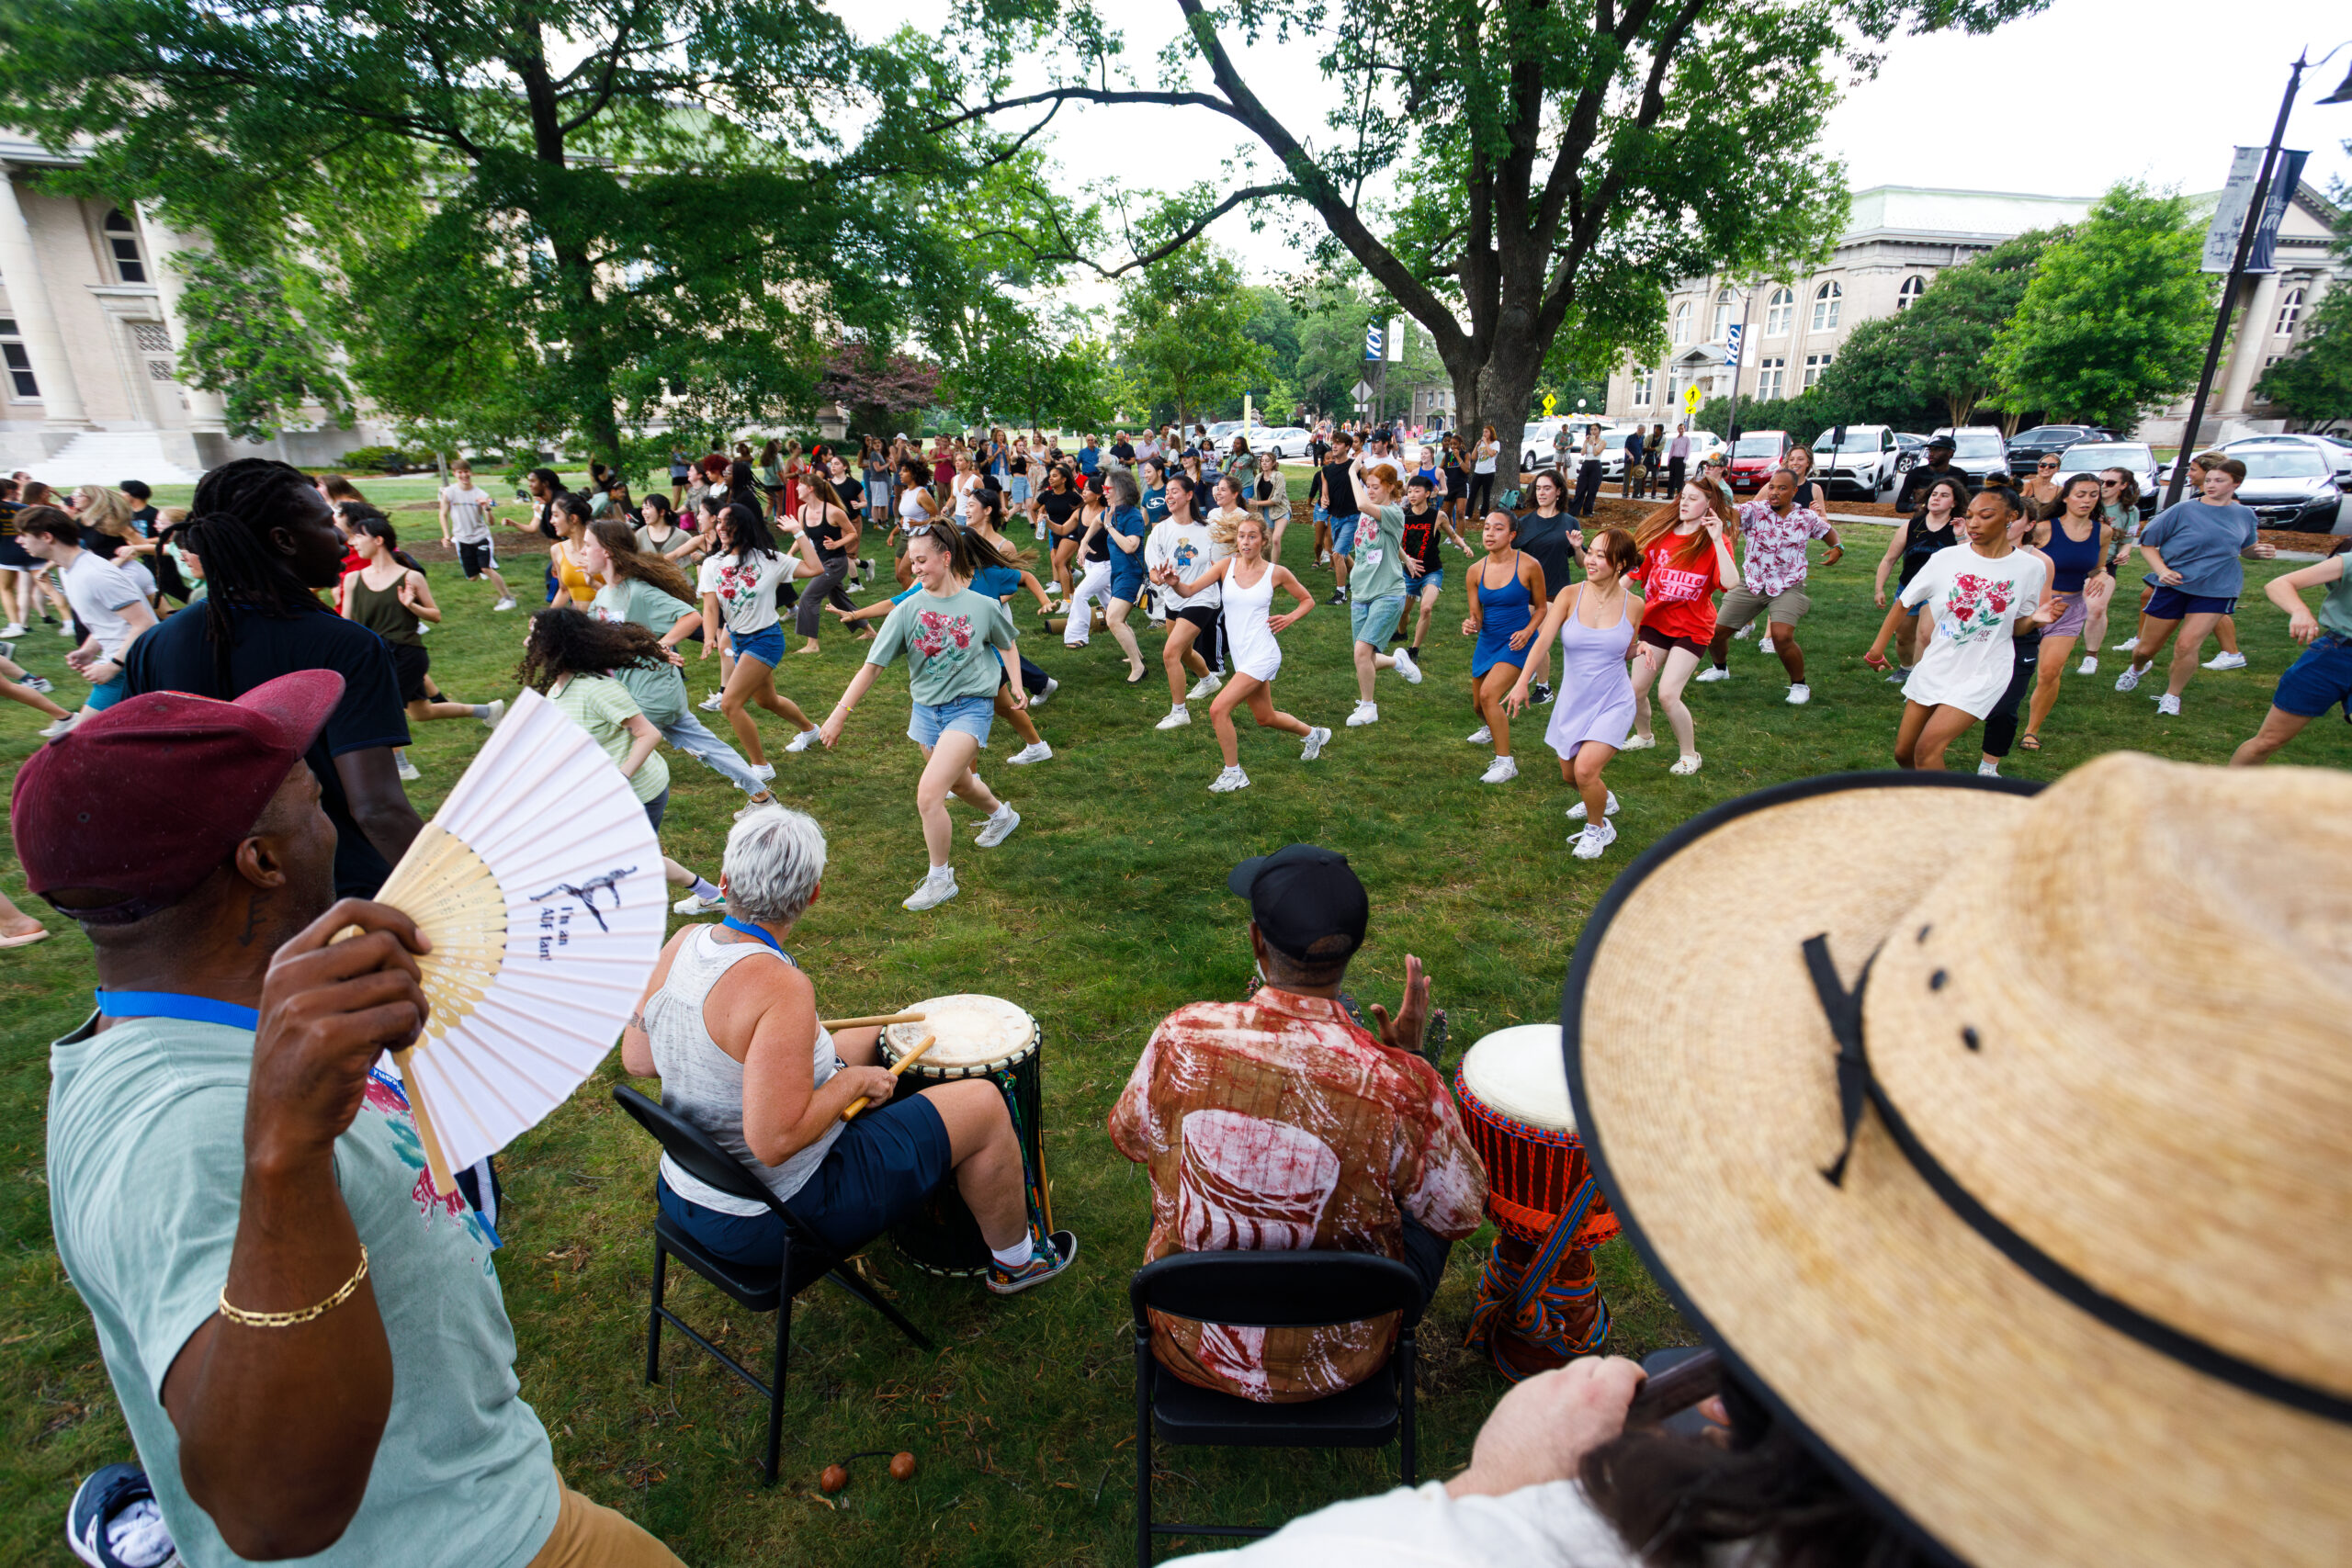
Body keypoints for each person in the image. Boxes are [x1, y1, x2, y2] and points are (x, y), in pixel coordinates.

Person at [26, 675, 690, 1567]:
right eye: (311, 798)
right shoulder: (179, 1127)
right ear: (261, 860)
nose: (331, 818)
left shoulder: (227, 1023)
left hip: (461, 1479)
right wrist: (286, 1155)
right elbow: (271, 1513)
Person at [622, 806, 1077, 1292]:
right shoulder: (782, 987)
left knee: (874, 1036)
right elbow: (773, 1142)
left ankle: (925, 1170)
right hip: (769, 1220)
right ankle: (1019, 1261)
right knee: (983, 1104)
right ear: (813, 894)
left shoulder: (683, 943)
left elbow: (639, 1059)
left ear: (724, 880)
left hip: (685, 1191)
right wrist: (853, 1082)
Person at [1111, 844, 1486, 1403]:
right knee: (1424, 1199)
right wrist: (1416, 1073)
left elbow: (1132, 1138)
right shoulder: (1400, 1084)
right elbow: (1460, 1212)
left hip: (1187, 1334)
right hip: (1343, 1356)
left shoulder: (1180, 1036)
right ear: (1351, 950)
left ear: (1257, 940)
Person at [120, 461, 418, 900]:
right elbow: (377, 808)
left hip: (214, 904)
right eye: (324, 523)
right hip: (338, 895)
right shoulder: (346, 646)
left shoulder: (153, 646)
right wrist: (464, 889)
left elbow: (143, 786)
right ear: (284, 540)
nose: (339, 537)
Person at [817, 522, 1024, 912]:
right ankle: (1001, 814)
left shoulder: (982, 606)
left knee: (929, 795)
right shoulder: (907, 610)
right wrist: (838, 714)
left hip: (970, 708)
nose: (915, 568)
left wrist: (1016, 683)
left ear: (946, 558)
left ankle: (940, 879)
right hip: (927, 712)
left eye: (922, 560)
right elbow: (871, 667)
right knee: (960, 786)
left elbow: (1007, 644)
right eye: (912, 561)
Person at [516, 609, 724, 906]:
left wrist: (620, 777)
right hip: (600, 792)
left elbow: (649, 734)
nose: (527, 641)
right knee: (617, 854)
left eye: (534, 635)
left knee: (633, 856)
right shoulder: (557, 691)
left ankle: (708, 894)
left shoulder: (596, 690)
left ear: (555, 646)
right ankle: (707, 894)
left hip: (638, 791)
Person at [580, 520, 780, 824]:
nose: (581, 551)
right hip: (645, 690)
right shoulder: (604, 596)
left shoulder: (638, 592)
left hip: (652, 693)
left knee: (605, 740)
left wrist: (661, 645)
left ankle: (607, 814)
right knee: (706, 744)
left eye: (586, 544)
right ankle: (762, 796)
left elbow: (690, 616)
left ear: (605, 552)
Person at [1863, 487, 2059, 770]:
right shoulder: (1947, 559)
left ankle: (1947, 812)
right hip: (1938, 664)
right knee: (1904, 754)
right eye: (1970, 516)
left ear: (2011, 517)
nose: (1974, 523)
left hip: (1984, 671)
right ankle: (1919, 800)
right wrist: (1876, 649)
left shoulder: (2030, 568)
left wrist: (2034, 620)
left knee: (1927, 751)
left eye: (1986, 515)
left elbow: (2016, 628)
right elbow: (1904, 602)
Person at [1158, 513, 1329, 792]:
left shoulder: (1276, 572)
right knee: (1265, 717)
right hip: (1242, 657)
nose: (1245, 541)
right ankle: (1315, 734)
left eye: (1252, 536)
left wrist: (1289, 617)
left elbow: (1307, 600)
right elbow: (1188, 591)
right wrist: (1174, 582)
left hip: (1263, 653)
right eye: (1241, 536)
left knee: (1218, 708)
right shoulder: (1226, 566)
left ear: (1263, 540)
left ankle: (1234, 773)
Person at [1505, 529, 1644, 856]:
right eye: (1590, 552)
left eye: (1600, 555)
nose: (1590, 560)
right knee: (1571, 774)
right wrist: (1523, 680)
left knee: (1585, 770)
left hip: (1614, 699)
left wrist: (1640, 650)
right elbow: (1543, 641)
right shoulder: (1569, 595)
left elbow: (1622, 650)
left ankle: (1598, 829)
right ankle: (1601, 796)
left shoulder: (1634, 605)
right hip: (1574, 699)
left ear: (1621, 564)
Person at [335, 517, 503, 774]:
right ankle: (488, 711)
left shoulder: (410, 577)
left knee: (381, 708)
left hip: (406, 654)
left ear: (378, 540)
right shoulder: (352, 579)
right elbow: (347, 623)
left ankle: (402, 767)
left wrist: (411, 606)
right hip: (374, 657)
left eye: (359, 536)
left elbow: (435, 615)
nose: (353, 541)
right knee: (420, 712)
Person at [2113, 454, 2276, 715]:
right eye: (2208, 479)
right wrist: (2162, 571)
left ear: (2236, 483)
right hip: (2173, 585)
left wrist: (2258, 552)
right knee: (2146, 649)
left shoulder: (2244, 515)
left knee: (2187, 644)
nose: (2210, 485)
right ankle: (2137, 668)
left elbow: (2245, 549)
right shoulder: (2183, 509)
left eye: (2219, 480)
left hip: (2217, 587)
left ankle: (2171, 695)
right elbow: (2147, 543)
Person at [1696, 468, 1841, 705]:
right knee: (1715, 634)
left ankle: (1799, 685)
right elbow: (1727, 513)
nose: (1774, 493)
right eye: (1772, 487)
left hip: (1788, 587)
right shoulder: (1755, 511)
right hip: (1752, 583)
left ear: (1794, 491)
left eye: (1782, 488)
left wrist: (1838, 548)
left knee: (1781, 636)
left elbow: (1829, 532)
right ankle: (1720, 669)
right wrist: (1707, 492)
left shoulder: (1806, 518)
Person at [1623, 478, 1736, 778]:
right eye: (1682, 497)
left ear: (1709, 505)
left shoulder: (1715, 542)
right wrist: (1602, 603)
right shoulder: (1660, 537)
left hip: (1692, 628)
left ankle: (1690, 755)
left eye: (1692, 498)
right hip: (1656, 623)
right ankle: (1645, 736)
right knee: (1635, 690)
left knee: (1668, 695)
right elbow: (1631, 577)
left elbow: (1731, 582)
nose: (1684, 503)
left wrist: (1715, 539)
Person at [698, 501, 820, 773]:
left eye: (727, 523)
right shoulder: (712, 564)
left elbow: (815, 569)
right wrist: (709, 637)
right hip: (739, 640)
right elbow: (709, 606)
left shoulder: (769, 559)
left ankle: (761, 767)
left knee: (730, 704)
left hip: (766, 638)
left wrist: (799, 533)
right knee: (767, 701)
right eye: (718, 522)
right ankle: (810, 731)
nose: (720, 528)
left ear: (742, 525)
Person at [17, 505, 156, 733]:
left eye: (23, 535)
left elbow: (144, 623)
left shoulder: (95, 573)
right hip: (122, 662)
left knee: (82, 736)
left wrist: (113, 666)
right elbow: (108, 621)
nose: (19, 541)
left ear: (46, 537)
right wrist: (89, 650)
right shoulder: (67, 569)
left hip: (130, 667)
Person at [2014, 473, 2110, 752]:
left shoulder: (2102, 531)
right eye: (2081, 494)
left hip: (2069, 609)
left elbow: (2096, 567)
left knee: (2049, 672)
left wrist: (2100, 575)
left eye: (2093, 494)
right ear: (2066, 496)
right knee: (2008, 666)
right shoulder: (2043, 529)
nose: (2087, 500)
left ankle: (2032, 730)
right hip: (2030, 605)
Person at [2229, 549, 2352, 766]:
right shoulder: (2348, 562)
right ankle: (2225, 797)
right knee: (2268, 741)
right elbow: (2279, 584)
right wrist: (2299, 610)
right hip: (2332, 657)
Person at [1460, 510, 1546, 782]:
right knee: (1478, 705)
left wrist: (1528, 630)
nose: (1489, 533)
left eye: (1497, 529)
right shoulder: (1475, 571)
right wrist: (1470, 624)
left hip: (1517, 642)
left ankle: (1505, 762)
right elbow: (1476, 616)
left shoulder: (1529, 565)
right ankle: (1492, 727)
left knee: (1488, 696)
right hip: (1488, 641)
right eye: (1486, 528)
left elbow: (1542, 608)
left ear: (1511, 535)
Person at [1340, 463, 1426, 728]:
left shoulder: (1393, 512)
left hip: (1388, 592)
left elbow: (1364, 506)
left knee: (1361, 652)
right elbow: (1390, 540)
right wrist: (1405, 559)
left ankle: (1368, 707)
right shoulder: (1373, 513)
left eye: (1375, 487)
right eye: (1367, 486)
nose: (1370, 491)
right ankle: (1398, 661)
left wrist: (1351, 474)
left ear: (1390, 487)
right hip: (1361, 591)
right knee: (1363, 656)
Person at [1145, 472, 1230, 730]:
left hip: (1203, 597)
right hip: (1174, 598)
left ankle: (1179, 712)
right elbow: (1152, 571)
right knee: (1183, 651)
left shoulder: (1207, 531)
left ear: (1189, 495)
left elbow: (1223, 564)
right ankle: (1208, 680)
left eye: (1174, 491)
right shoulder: (1160, 531)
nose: (1169, 496)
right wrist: (1159, 579)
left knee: (1170, 653)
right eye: (1167, 491)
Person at [1869, 474, 1967, 686]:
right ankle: (1906, 669)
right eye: (1934, 494)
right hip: (1909, 589)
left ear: (1955, 502)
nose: (1936, 498)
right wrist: (1879, 589)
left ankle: (1921, 680)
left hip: (1940, 594)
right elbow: (1889, 559)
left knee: (1926, 636)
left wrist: (1961, 536)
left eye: (1944, 495)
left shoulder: (1959, 529)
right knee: (1903, 637)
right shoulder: (1911, 526)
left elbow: (1968, 562)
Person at [1510, 469, 1584, 706]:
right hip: (1526, 591)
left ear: (1559, 492)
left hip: (1556, 591)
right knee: (1526, 635)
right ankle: (1540, 683)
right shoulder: (1524, 524)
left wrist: (1578, 548)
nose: (1541, 493)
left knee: (1536, 635)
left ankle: (1539, 683)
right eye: (1538, 488)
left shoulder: (1569, 522)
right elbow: (1508, 555)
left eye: (1547, 488)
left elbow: (1582, 564)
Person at [785, 473, 861, 653]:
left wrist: (837, 544)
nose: (796, 488)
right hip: (821, 563)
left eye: (800, 485)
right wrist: (789, 554)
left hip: (836, 562)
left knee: (809, 598)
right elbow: (801, 536)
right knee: (840, 600)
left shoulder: (833, 511)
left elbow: (852, 533)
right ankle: (869, 630)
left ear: (810, 488)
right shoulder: (803, 510)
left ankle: (812, 645)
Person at [1399, 473, 1467, 660]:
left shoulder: (1438, 516)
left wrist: (1465, 546)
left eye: (1417, 491)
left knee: (1426, 608)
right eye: (1410, 491)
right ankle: (1401, 631)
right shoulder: (1402, 515)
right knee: (1403, 612)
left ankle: (1413, 649)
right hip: (1409, 573)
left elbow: (1453, 536)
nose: (1412, 494)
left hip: (1432, 571)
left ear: (1428, 494)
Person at [435, 460, 517, 611]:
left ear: (470, 472)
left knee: (486, 568)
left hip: (481, 536)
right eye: (460, 472)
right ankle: (481, 568)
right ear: (454, 474)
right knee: (472, 578)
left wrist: (486, 508)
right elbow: (443, 514)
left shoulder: (480, 494)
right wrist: (446, 536)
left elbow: (491, 523)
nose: (464, 475)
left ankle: (508, 598)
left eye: (466, 471)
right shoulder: (449, 493)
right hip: (461, 538)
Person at [1311, 433, 1361, 604]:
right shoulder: (1326, 470)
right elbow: (1325, 493)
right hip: (1335, 517)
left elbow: (1370, 484)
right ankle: (1359, 581)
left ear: (1347, 447)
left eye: (1339, 443)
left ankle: (1341, 594)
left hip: (1352, 516)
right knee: (1343, 554)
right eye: (1333, 443)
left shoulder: (1355, 466)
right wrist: (1324, 500)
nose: (1334, 446)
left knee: (1338, 553)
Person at [1894, 432, 1972, 512]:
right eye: (1930, 450)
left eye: (1937, 450)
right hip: (1923, 519)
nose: (1931, 454)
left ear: (1950, 453)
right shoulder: (1916, 473)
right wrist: (1918, 506)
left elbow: (1964, 505)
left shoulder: (1960, 475)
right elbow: (1900, 506)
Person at [1244, 450, 1292, 564]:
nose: (1264, 463)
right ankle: (1264, 564)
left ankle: (1273, 568)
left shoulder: (1279, 476)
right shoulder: (1258, 478)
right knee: (1266, 542)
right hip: (1266, 512)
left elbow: (1276, 500)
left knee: (1275, 539)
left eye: (1267, 461)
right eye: (1262, 461)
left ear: (1273, 463)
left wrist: (1256, 503)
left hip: (1281, 510)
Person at [1571, 425, 1605, 518]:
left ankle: (1587, 511)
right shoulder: (1586, 441)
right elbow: (1582, 453)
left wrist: (1593, 442)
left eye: (1595, 429)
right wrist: (1586, 442)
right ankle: (1575, 510)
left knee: (1592, 490)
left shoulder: (1603, 442)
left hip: (1596, 465)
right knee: (1580, 488)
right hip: (1586, 464)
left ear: (1599, 431)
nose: (1593, 431)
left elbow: (1596, 453)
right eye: (1592, 429)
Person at [1663, 423, 1691, 500]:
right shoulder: (1675, 440)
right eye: (1679, 429)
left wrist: (1685, 460)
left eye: (1682, 428)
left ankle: (1680, 495)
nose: (1681, 430)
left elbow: (1688, 450)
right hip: (1674, 459)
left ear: (1684, 429)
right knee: (1671, 478)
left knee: (1680, 478)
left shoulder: (1687, 439)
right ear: (1678, 430)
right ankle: (1670, 494)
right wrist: (1669, 461)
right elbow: (1671, 451)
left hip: (1681, 460)